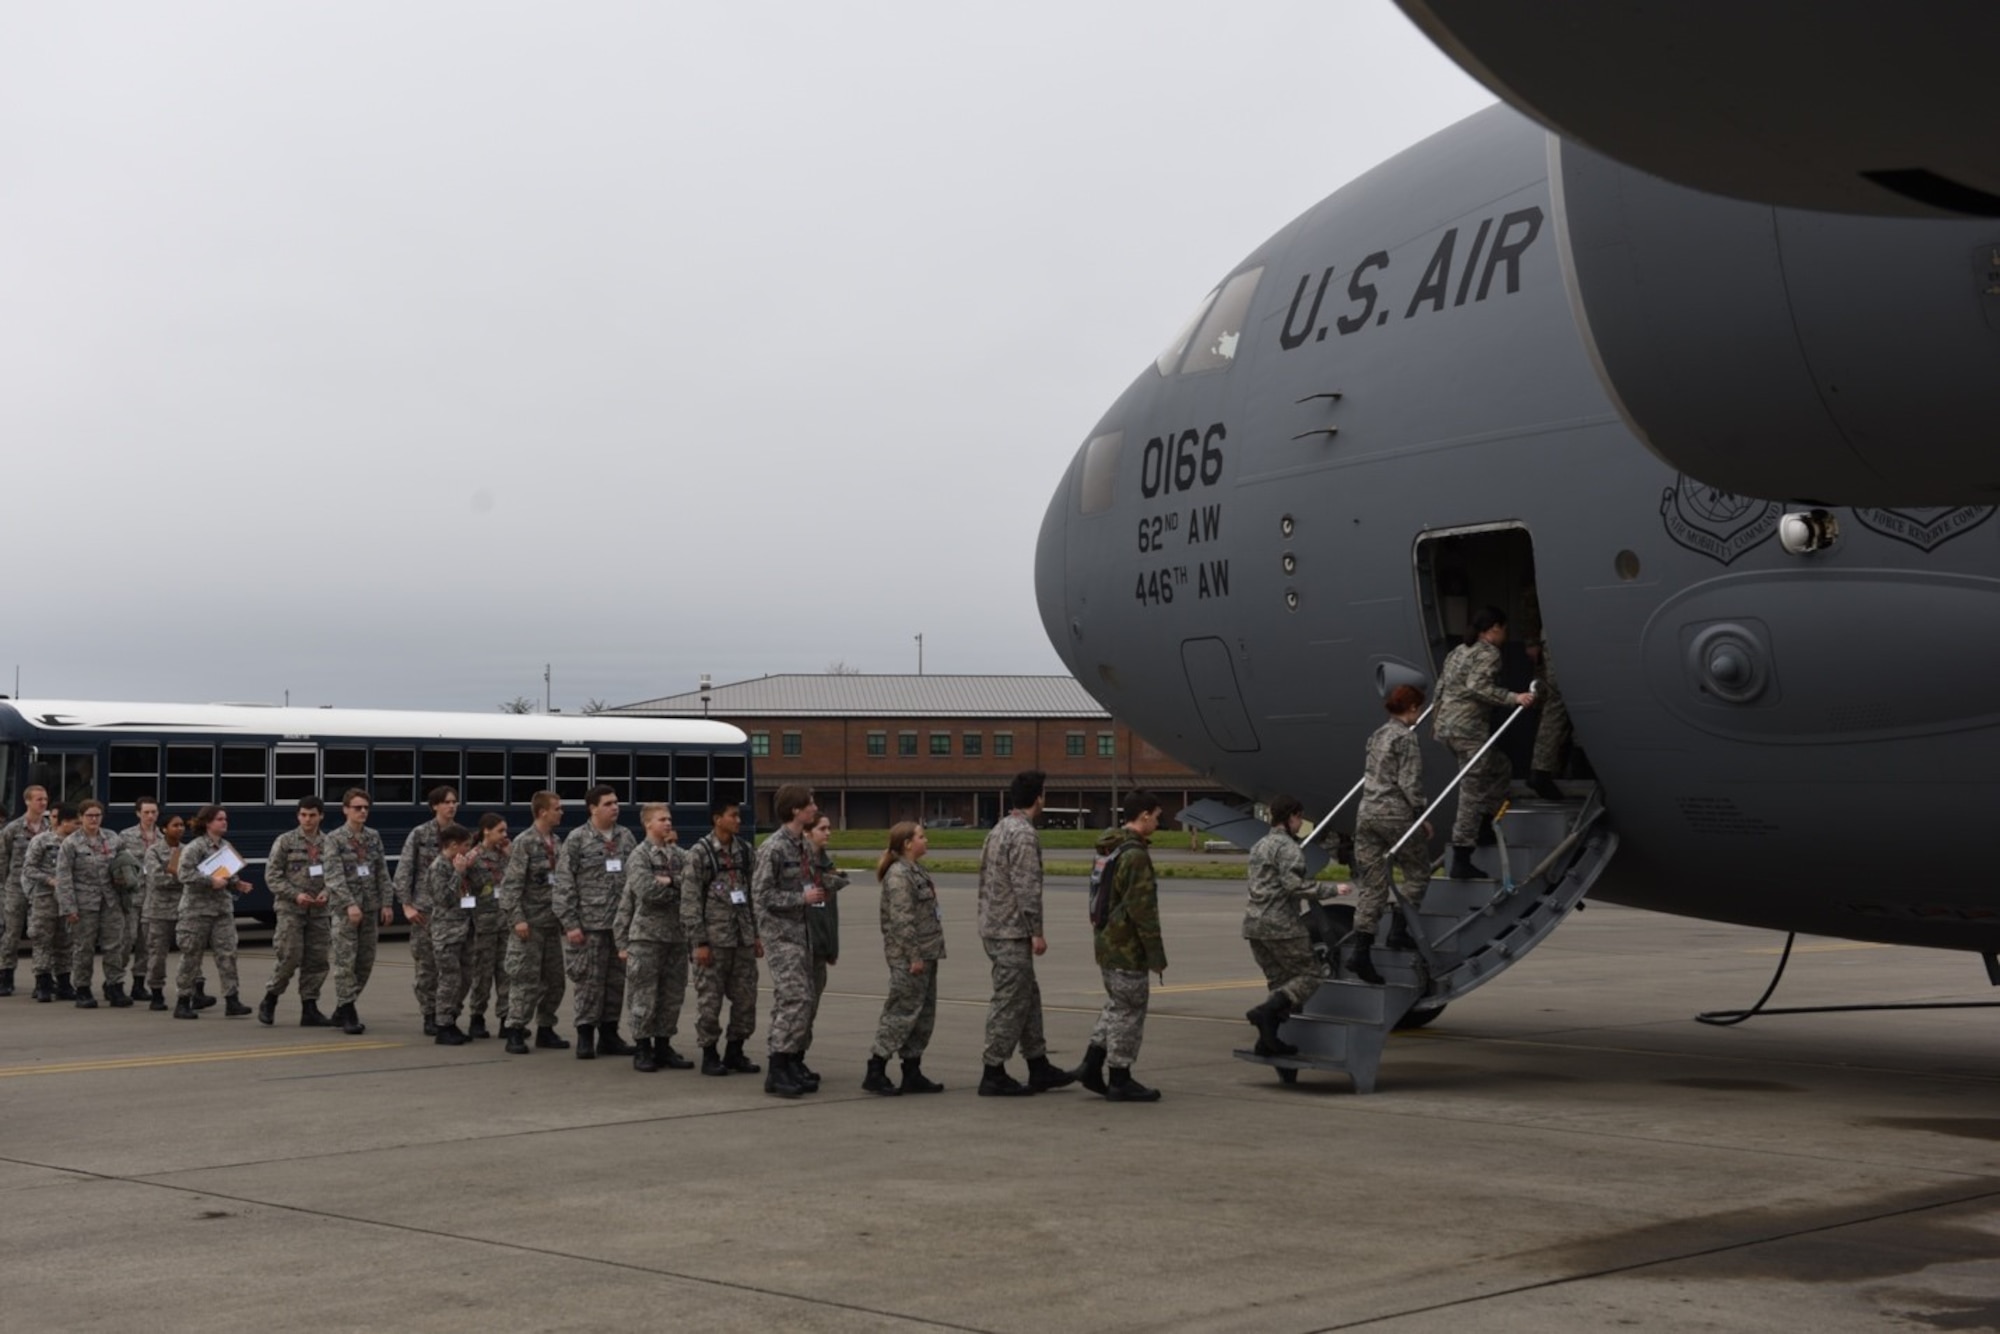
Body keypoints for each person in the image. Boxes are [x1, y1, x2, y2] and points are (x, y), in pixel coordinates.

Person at [976, 769, 1073, 1096]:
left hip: (994, 926)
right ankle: (993, 1069)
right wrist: (1036, 931)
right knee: (1011, 1000)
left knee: (1028, 997)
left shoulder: (1000, 828)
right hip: (1011, 930)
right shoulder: (1024, 835)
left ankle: (1038, 1064)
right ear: (1039, 798)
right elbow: (1027, 888)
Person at [1076, 792, 1167, 1103]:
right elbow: (1143, 910)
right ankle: (1120, 1077)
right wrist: (1156, 955)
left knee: (1117, 1005)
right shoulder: (1136, 855)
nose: (1157, 821)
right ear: (1143, 816)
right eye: (1155, 815)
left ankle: (1091, 1064)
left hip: (1105, 939)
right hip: (1127, 945)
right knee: (1130, 1009)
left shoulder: (1109, 848)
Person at [1433, 606, 1535, 880]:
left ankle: (1486, 824)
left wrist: (1438, 720)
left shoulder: (1458, 651)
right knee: (1471, 791)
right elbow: (1478, 687)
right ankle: (1463, 856)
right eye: (1504, 629)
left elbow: (1441, 687)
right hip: (1468, 730)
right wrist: (1514, 698)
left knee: (1500, 766)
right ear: (1494, 629)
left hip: (1447, 727)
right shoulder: (1488, 653)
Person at [1349, 685, 1436, 984]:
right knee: (1417, 871)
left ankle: (1361, 952)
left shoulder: (1377, 735)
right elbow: (1410, 781)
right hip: (1394, 813)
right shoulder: (1406, 737)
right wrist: (1421, 814)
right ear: (1411, 707)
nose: (1420, 714)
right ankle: (1398, 931)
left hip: (1367, 813)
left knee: (1373, 885)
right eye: (1420, 708)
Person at [751, 784, 826, 1098]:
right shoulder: (774, 847)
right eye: (809, 804)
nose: (813, 808)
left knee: (802, 999)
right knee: (793, 998)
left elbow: (809, 879)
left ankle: (792, 1061)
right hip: (781, 935)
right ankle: (777, 1067)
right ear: (796, 810)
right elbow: (761, 894)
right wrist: (801, 897)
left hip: (801, 934)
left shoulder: (801, 846)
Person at [553, 785, 637, 1059]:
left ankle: (610, 1035)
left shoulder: (626, 837)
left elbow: (635, 880)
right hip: (588, 925)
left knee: (615, 983)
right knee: (589, 983)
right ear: (593, 808)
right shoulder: (577, 839)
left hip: (619, 926)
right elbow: (564, 884)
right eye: (608, 803)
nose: (615, 807)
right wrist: (570, 924)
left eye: (616, 802)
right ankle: (586, 1035)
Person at [680, 797, 761, 1076]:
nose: (738, 820)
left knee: (746, 999)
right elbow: (690, 901)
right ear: (717, 819)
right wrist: (699, 942)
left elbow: (753, 896)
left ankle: (736, 1050)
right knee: (709, 1002)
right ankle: (709, 1052)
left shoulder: (745, 852)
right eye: (733, 815)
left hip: (742, 940)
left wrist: (756, 935)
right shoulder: (700, 853)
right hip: (713, 942)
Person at [864, 821, 946, 1096]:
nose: (926, 840)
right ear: (907, 843)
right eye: (921, 836)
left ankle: (912, 1071)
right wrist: (914, 956)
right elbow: (902, 921)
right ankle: (875, 1069)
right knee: (900, 1014)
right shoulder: (899, 875)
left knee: (922, 1017)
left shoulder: (917, 871)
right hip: (910, 958)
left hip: (927, 953)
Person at [1241, 795, 1328, 1053]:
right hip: (1281, 925)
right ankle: (1264, 1014)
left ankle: (1268, 1041)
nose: (1301, 824)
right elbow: (1295, 886)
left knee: (1279, 984)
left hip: (1254, 925)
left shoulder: (1260, 845)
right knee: (1311, 975)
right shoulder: (1288, 848)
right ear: (1292, 817)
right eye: (1300, 818)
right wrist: (1333, 890)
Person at [614, 802, 693, 1072]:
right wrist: (678, 889)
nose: (668, 823)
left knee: (672, 995)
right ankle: (643, 1047)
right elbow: (647, 891)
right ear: (648, 824)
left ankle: (663, 1045)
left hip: (676, 936)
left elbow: (695, 880)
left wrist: (670, 882)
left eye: (669, 819)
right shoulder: (639, 856)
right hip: (646, 937)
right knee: (643, 995)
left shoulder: (678, 855)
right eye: (662, 819)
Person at [498, 790, 569, 1055]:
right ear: (542, 812)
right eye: (557, 808)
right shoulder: (524, 842)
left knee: (554, 981)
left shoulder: (558, 842)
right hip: (529, 925)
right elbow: (511, 887)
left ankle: (546, 1028)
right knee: (525, 980)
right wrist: (517, 919)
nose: (561, 812)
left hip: (551, 924)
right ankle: (515, 1029)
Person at [173, 804, 254, 1018]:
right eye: (219, 819)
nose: (224, 822)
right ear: (207, 823)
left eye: (225, 818)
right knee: (191, 955)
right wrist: (210, 881)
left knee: (228, 954)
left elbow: (227, 873)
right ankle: (183, 1000)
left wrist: (237, 883)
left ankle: (232, 999)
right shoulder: (195, 847)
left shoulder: (226, 846)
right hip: (196, 911)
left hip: (221, 909)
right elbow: (184, 874)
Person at [322, 788, 392, 1035]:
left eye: (365, 808)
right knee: (345, 962)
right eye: (357, 808)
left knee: (365, 962)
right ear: (345, 810)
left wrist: (386, 903)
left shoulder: (373, 837)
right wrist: (349, 904)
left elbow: (381, 872)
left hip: (370, 907)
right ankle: (349, 1011)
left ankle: (343, 1007)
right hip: (345, 911)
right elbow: (333, 876)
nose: (362, 812)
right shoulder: (334, 839)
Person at [261, 795, 334, 1026]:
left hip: (319, 911)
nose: (308, 820)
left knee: (317, 960)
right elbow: (272, 875)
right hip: (290, 909)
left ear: (321, 816)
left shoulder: (329, 843)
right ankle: (270, 998)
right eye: (303, 815)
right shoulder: (285, 841)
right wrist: (295, 894)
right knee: (289, 956)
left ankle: (309, 1007)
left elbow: (336, 873)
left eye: (312, 815)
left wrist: (327, 891)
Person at [394, 786, 459, 1036]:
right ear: (434, 806)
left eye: (454, 802)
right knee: (426, 967)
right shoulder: (420, 834)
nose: (451, 806)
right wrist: (407, 905)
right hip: (426, 911)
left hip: (453, 911)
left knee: (453, 968)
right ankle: (429, 1015)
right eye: (446, 802)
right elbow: (404, 871)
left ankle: (448, 1014)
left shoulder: (460, 834)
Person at [56, 799, 125, 1008]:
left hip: (110, 901)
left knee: (115, 946)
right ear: (81, 817)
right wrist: (69, 908)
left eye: (97, 815)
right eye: (89, 816)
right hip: (84, 903)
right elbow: (63, 877)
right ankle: (83, 989)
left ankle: (115, 987)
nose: (94, 819)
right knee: (83, 947)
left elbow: (126, 865)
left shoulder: (113, 839)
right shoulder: (71, 843)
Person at [420, 823, 477, 1045]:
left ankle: (452, 1019)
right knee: (449, 979)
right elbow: (445, 898)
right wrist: (458, 873)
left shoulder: (457, 864)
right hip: (447, 932)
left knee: (464, 978)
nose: (467, 850)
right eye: (465, 846)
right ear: (453, 846)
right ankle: (442, 1024)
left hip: (464, 929)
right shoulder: (439, 867)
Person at [802, 813, 846, 1078]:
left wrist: (832, 947)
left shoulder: (825, 863)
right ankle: (787, 1058)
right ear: (807, 832)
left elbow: (830, 912)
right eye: (822, 828)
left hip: (820, 947)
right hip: (802, 948)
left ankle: (799, 1055)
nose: (828, 833)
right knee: (799, 1008)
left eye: (829, 828)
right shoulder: (798, 863)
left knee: (812, 1008)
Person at [461, 813, 511, 1040]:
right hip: (482, 923)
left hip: (506, 922)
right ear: (486, 831)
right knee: (482, 972)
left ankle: (506, 1018)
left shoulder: (506, 855)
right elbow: (461, 886)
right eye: (500, 831)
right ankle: (477, 1017)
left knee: (507, 972)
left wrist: (511, 856)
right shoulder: (473, 856)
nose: (505, 835)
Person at [0, 785, 52, 997]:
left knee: (41, 933)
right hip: (15, 887)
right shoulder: (13, 829)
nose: (43, 803)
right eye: (39, 799)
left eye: (45, 799)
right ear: (27, 801)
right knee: (11, 933)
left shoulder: (50, 828)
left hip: (41, 889)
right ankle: (5, 976)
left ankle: (42, 980)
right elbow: (3, 859)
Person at [25, 805, 79, 1003]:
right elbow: (29, 869)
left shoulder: (78, 843)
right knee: (42, 940)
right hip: (45, 898)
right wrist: (50, 880)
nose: (78, 827)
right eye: (76, 823)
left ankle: (64, 982)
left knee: (65, 941)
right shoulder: (41, 841)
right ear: (64, 822)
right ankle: (43, 983)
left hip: (69, 900)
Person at [116, 797, 166, 1002]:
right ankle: (116, 980)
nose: (150, 816)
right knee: (126, 941)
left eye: (153, 812)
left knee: (146, 943)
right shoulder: (126, 836)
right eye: (146, 812)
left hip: (153, 897)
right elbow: (117, 863)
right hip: (132, 895)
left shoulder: (163, 838)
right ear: (138, 813)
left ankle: (139, 983)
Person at [137, 813, 186, 1011]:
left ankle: (193, 991)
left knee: (191, 951)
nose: (180, 828)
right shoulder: (153, 852)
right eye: (175, 825)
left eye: (182, 825)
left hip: (184, 909)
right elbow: (157, 879)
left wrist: (176, 874)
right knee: (157, 955)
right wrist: (183, 877)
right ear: (164, 828)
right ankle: (156, 993)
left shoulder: (188, 850)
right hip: (158, 911)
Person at [1527, 636, 1570, 800]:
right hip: (1566, 637)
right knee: (1558, 702)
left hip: (1558, 635)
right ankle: (1542, 770)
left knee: (1556, 704)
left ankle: (1542, 769)